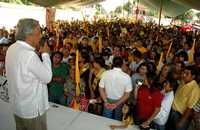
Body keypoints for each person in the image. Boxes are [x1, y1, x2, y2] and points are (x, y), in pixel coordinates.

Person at [5, 18, 52, 130]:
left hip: (18, 106)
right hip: (32, 110)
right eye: (38, 33)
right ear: (29, 35)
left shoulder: (12, 48)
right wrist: (45, 54)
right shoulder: (29, 55)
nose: (41, 36)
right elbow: (47, 77)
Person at [99, 56, 132, 120]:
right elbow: (127, 94)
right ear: (122, 64)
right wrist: (117, 104)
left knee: (106, 120)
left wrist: (105, 101)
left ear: (112, 63)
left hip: (107, 99)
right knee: (117, 119)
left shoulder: (105, 73)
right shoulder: (127, 77)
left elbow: (101, 88)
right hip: (120, 100)